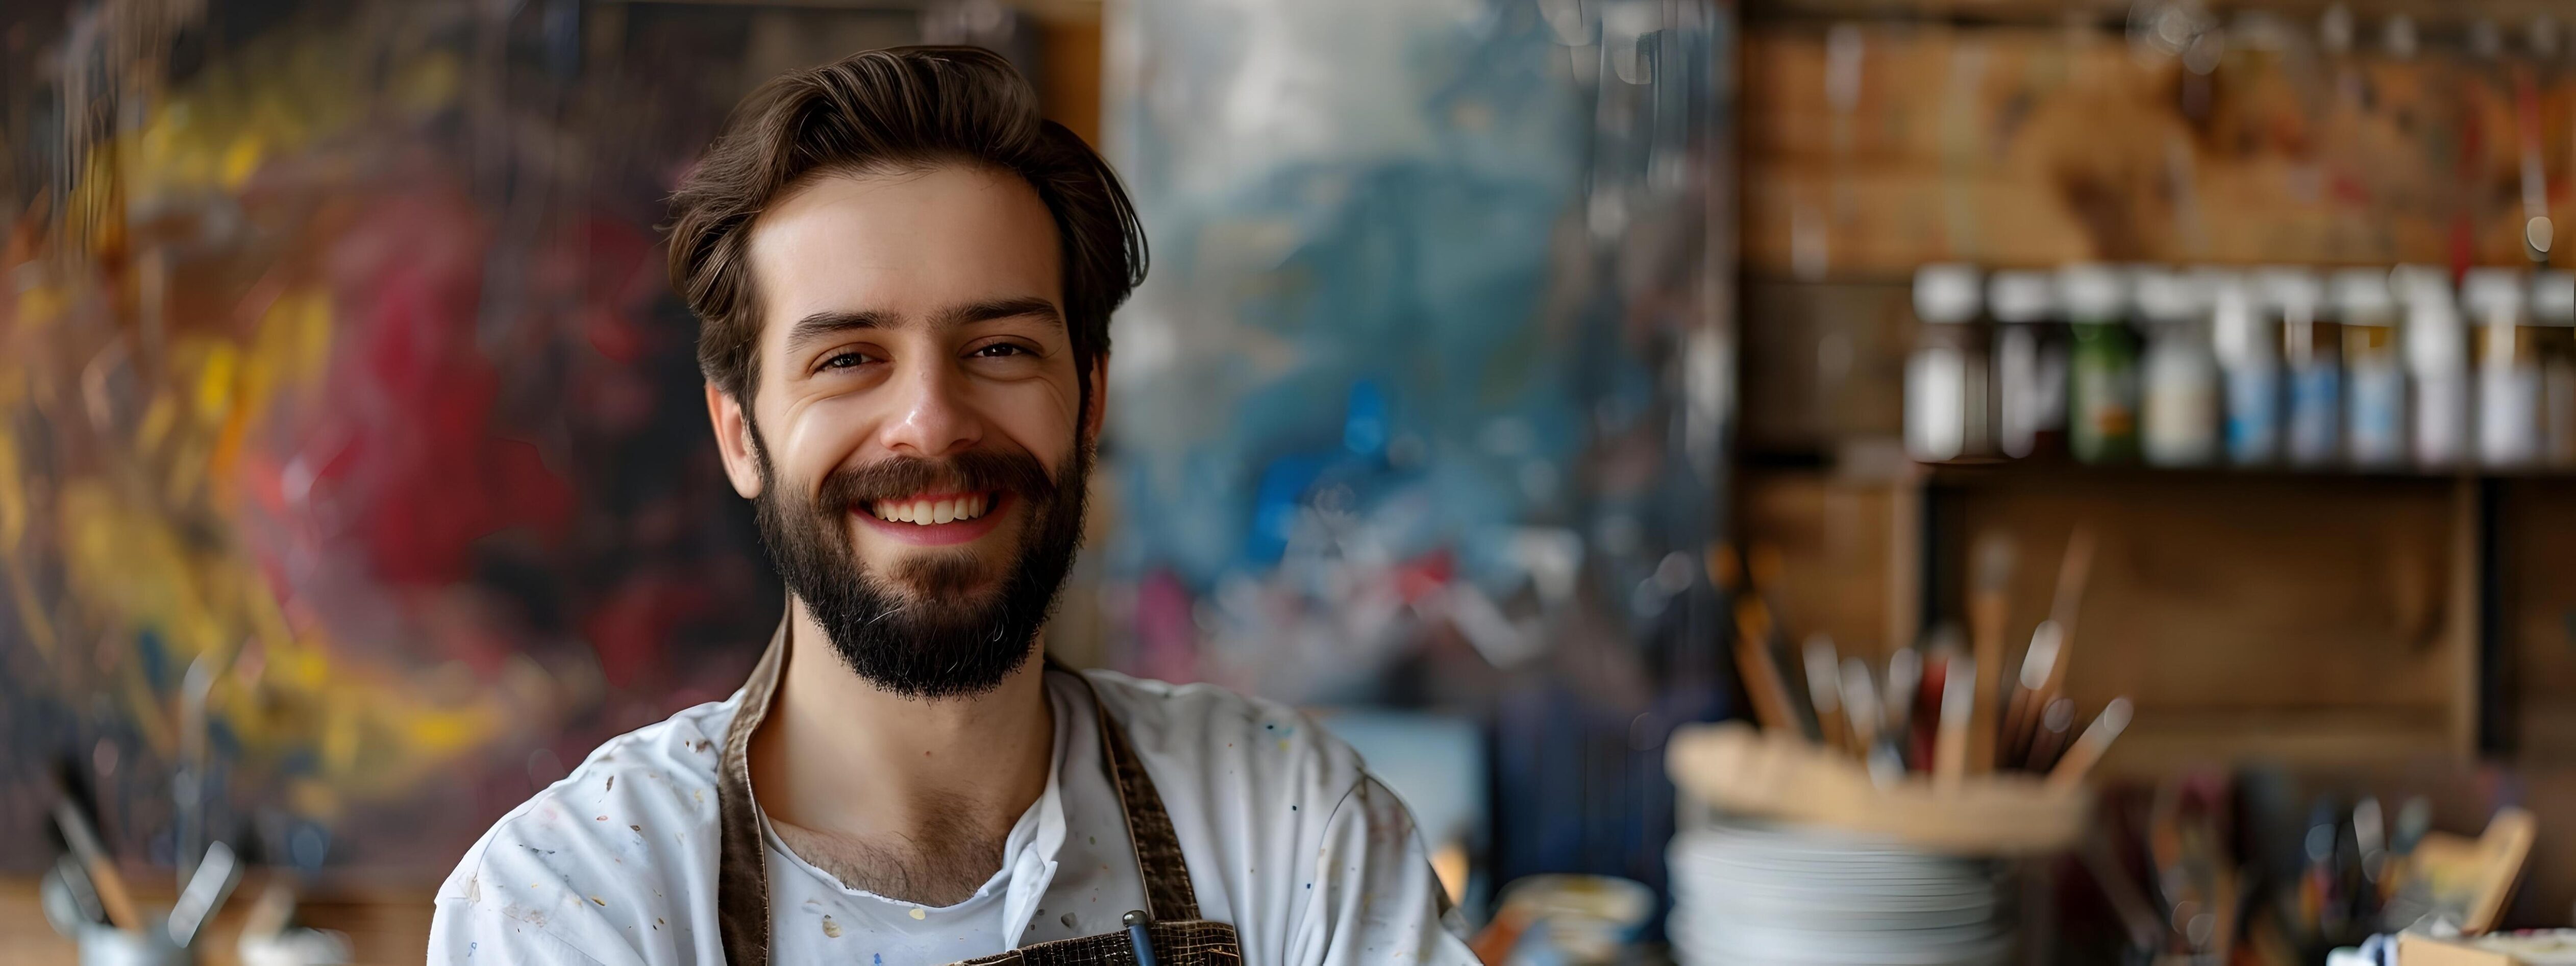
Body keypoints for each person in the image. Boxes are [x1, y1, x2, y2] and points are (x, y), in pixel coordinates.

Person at [426, 47, 1477, 965]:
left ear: (1090, 398)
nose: (930, 424)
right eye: (848, 358)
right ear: (739, 431)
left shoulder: (1295, 832)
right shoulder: (567, 902)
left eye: (1001, 348)